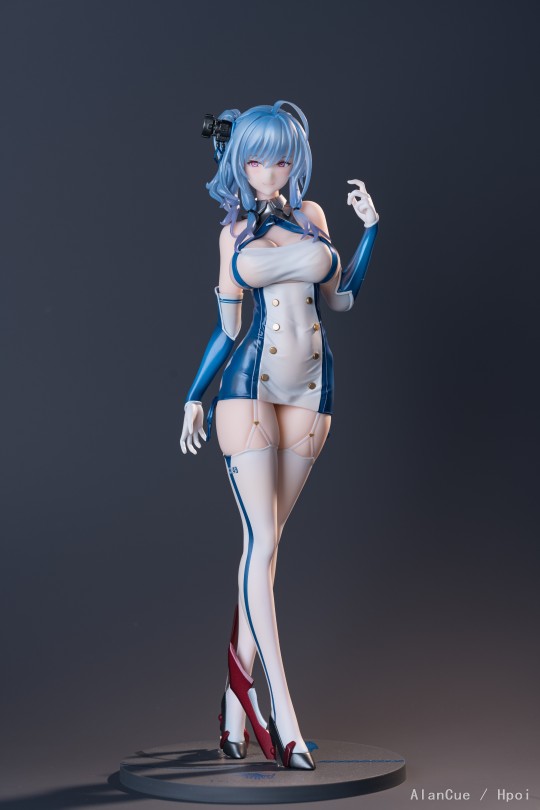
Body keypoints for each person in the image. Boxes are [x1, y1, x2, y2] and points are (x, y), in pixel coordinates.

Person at [180, 100, 379, 770]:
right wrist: (194, 395)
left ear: (297, 160)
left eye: (282, 158)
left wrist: (371, 231)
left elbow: (341, 298)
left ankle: (233, 706)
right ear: (239, 162)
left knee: (263, 554)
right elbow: (229, 329)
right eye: (257, 159)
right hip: (248, 392)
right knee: (262, 545)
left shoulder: (314, 216)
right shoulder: (233, 233)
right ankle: (283, 720)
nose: (270, 171)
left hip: (312, 396)